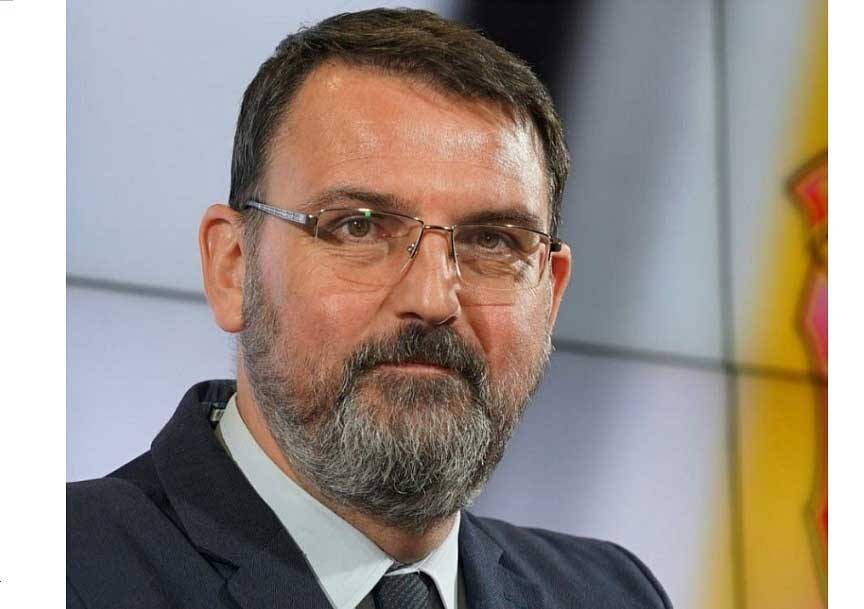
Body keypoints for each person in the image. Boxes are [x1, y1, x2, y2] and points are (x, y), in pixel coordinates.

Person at [67, 8, 671, 609]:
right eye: (358, 227)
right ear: (233, 267)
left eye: (493, 242)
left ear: (551, 294)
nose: (432, 299)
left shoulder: (614, 593)